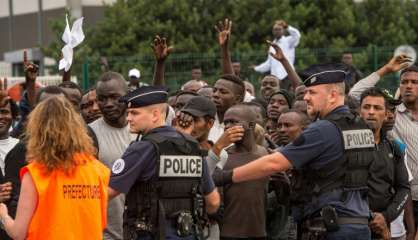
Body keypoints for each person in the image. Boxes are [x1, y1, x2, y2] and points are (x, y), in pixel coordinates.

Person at [220, 63, 376, 239]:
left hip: (330, 227)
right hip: (359, 225)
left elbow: (274, 163)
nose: (306, 97)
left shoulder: (323, 129)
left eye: (313, 92)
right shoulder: (361, 126)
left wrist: (225, 176)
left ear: (332, 95)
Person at [107, 86, 220, 240]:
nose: (128, 119)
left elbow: (107, 192)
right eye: (128, 114)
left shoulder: (142, 148)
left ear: (155, 115)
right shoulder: (192, 146)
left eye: (134, 113)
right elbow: (213, 202)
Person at [0, 96, 110, 240]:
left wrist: (3, 215)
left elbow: (18, 233)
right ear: (76, 127)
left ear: (38, 130)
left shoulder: (35, 173)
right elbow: (99, 222)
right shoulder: (98, 170)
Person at [89, 71, 136, 240]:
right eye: (102, 99)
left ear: (128, 95)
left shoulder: (141, 130)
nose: (108, 104)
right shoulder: (88, 134)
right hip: (103, 233)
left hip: (140, 231)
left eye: (115, 97)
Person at [359, 87, 410, 240]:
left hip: (385, 226)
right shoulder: (344, 144)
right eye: (366, 107)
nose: (371, 112)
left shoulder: (395, 147)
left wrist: (386, 217)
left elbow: (404, 188)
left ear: (387, 114)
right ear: (359, 111)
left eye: (377, 108)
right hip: (353, 226)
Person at [212, 104, 269, 239]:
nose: (227, 127)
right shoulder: (223, 157)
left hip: (259, 232)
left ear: (250, 125)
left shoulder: (264, 154)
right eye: (226, 123)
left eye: (233, 122)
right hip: (229, 233)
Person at [391, 65, 418, 235]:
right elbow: (356, 96)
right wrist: (384, 70)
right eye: (404, 82)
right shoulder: (390, 115)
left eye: (414, 82)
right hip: (406, 199)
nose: (408, 86)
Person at [253, 20, 301, 90]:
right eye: (275, 29)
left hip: (288, 75)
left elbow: (297, 35)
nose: (277, 31)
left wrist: (287, 26)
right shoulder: (271, 45)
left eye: (279, 29)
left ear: (283, 31)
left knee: (289, 97)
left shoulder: (289, 41)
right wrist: (256, 68)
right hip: (275, 78)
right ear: (272, 31)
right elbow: (269, 64)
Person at [209, 74, 245, 142]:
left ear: (237, 99)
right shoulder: (202, 120)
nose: (215, 95)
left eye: (223, 92)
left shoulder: (244, 126)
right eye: (214, 90)